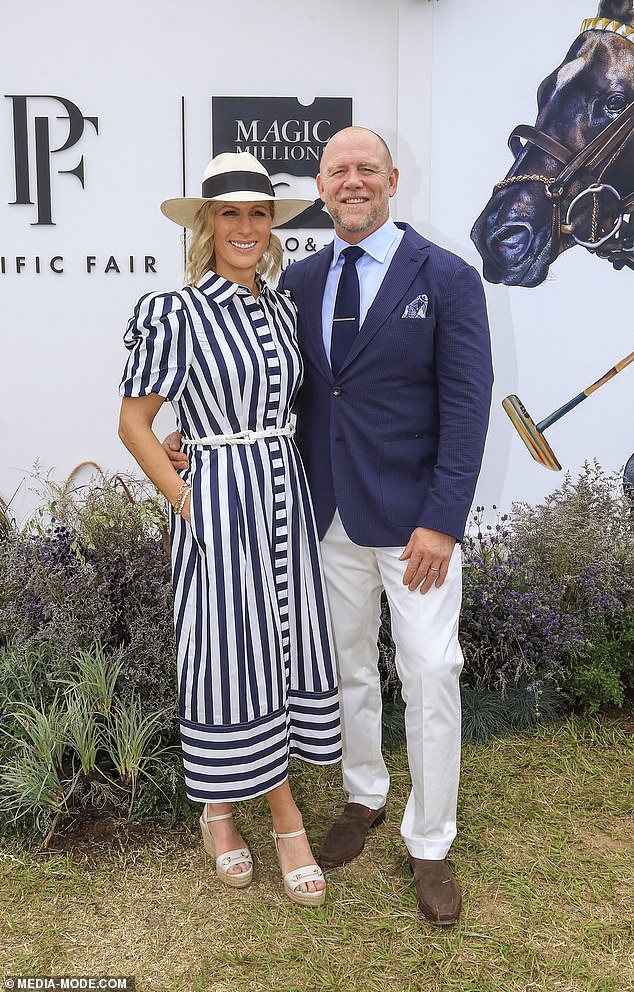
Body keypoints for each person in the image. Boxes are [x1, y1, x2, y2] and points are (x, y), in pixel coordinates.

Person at [166, 127, 493, 925]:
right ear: (319, 185)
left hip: (416, 526)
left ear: (391, 179)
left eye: (366, 169)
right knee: (346, 666)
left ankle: (431, 843)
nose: (352, 181)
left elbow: (468, 405)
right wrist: (186, 436)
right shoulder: (299, 282)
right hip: (323, 515)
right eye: (337, 170)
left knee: (430, 675)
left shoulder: (447, 278)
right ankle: (364, 796)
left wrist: (442, 522)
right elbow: (278, 389)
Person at [118, 152, 342, 908]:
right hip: (220, 501)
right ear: (206, 226)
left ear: (271, 225)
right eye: (229, 213)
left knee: (276, 652)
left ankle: (219, 809)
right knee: (230, 655)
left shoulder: (283, 308)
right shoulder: (173, 311)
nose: (245, 227)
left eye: (257, 213)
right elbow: (135, 423)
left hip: (283, 493)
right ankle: (283, 822)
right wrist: (188, 499)